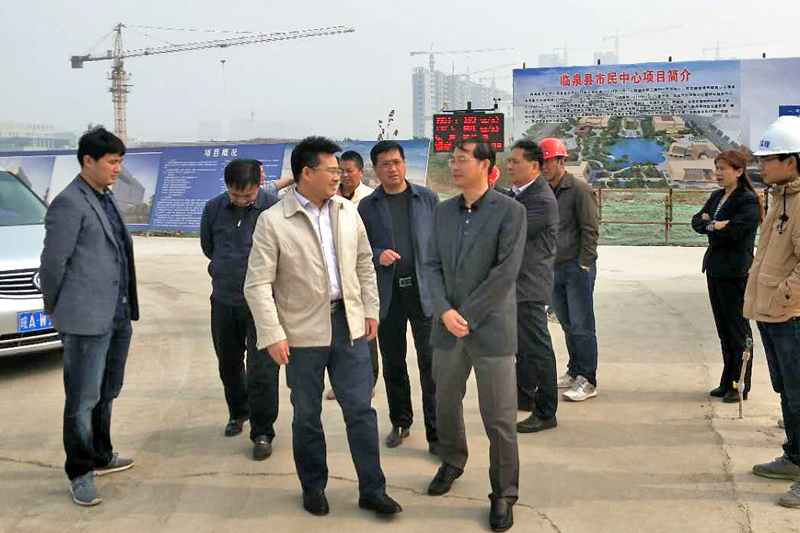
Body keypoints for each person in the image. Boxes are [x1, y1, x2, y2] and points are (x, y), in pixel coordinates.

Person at [244, 136, 402, 516]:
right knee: (307, 416)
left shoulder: (347, 211)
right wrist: (273, 334)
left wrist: (369, 310)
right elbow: (257, 284)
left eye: (339, 170)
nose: (338, 176)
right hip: (301, 335)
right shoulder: (273, 221)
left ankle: (372, 489)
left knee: (361, 411)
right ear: (306, 173)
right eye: (331, 170)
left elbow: (364, 263)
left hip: (349, 326)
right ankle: (313, 487)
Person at [425, 139, 526, 532]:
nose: (454, 166)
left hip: (491, 329)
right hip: (448, 328)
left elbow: (505, 272)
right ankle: (452, 460)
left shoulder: (510, 211)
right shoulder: (443, 211)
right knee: (445, 403)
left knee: (499, 418)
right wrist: (444, 310)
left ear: (485, 164)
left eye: (462, 159)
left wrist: (465, 315)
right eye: (452, 159)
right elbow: (431, 265)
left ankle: (503, 493)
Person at [40, 126, 138, 506]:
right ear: (87, 161)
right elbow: (53, 263)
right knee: (82, 399)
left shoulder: (105, 197)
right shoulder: (69, 203)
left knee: (107, 391)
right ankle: (80, 471)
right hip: (85, 318)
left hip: (117, 314)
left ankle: (101, 453)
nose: (117, 169)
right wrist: (57, 308)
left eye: (120, 161)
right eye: (112, 162)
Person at [358, 140, 439, 452]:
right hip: (388, 295)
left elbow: (440, 242)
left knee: (431, 364)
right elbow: (359, 248)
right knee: (393, 362)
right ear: (375, 169)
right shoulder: (368, 206)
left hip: (423, 293)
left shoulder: (427, 199)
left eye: (396, 162)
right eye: (385, 164)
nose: (392, 169)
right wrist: (378, 253)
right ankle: (401, 421)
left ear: (404, 164)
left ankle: (436, 432)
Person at [200, 159, 281, 460]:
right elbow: (208, 247)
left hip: (263, 303)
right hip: (224, 299)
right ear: (227, 187)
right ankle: (238, 412)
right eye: (236, 194)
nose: (242, 200)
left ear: (259, 186)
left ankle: (262, 431)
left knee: (263, 369)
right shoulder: (213, 209)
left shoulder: (273, 208)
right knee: (228, 363)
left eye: (248, 195)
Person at [744, 115, 800, 509]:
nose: (760, 165)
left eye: (767, 159)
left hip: (791, 315)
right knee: (787, 391)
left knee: (799, 395)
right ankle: (794, 457)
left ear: (791, 161)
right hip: (773, 313)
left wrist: (782, 297)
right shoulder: (782, 196)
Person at [691, 150, 762, 403]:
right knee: (723, 329)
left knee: (737, 330)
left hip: (736, 272)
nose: (718, 173)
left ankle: (739, 384)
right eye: (716, 168)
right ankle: (726, 380)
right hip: (715, 269)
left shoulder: (748, 201)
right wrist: (714, 224)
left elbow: (734, 234)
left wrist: (713, 225)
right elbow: (697, 221)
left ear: (739, 171)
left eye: (723, 168)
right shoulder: (717, 196)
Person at [539, 137, 600, 402]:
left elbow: (590, 228)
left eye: (548, 161)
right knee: (566, 324)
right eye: (540, 162)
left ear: (561, 161)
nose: (543, 166)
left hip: (577, 269)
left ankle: (588, 379)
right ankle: (574, 371)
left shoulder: (579, 189)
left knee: (582, 325)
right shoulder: (544, 190)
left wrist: (585, 263)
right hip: (554, 268)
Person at [506, 140, 560, 433]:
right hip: (516, 285)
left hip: (529, 284)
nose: (509, 166)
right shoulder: (518, 194)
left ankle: (546, 411)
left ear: (535, 166)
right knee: (524, 348)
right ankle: (526, 397)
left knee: (537, 348)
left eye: (515, 161)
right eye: (509, 161)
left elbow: (509, 231)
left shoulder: (540, 199)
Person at [325, 150, 378, 401]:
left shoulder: (370, 199)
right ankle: (341, 384)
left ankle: (369, 381)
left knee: (367, 333)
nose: (344, 176)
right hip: (337, 280)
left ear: (360, 172)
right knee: (339, 340)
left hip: (362, 275)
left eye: (349, 171)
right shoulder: (329, 199)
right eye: (340, 171)